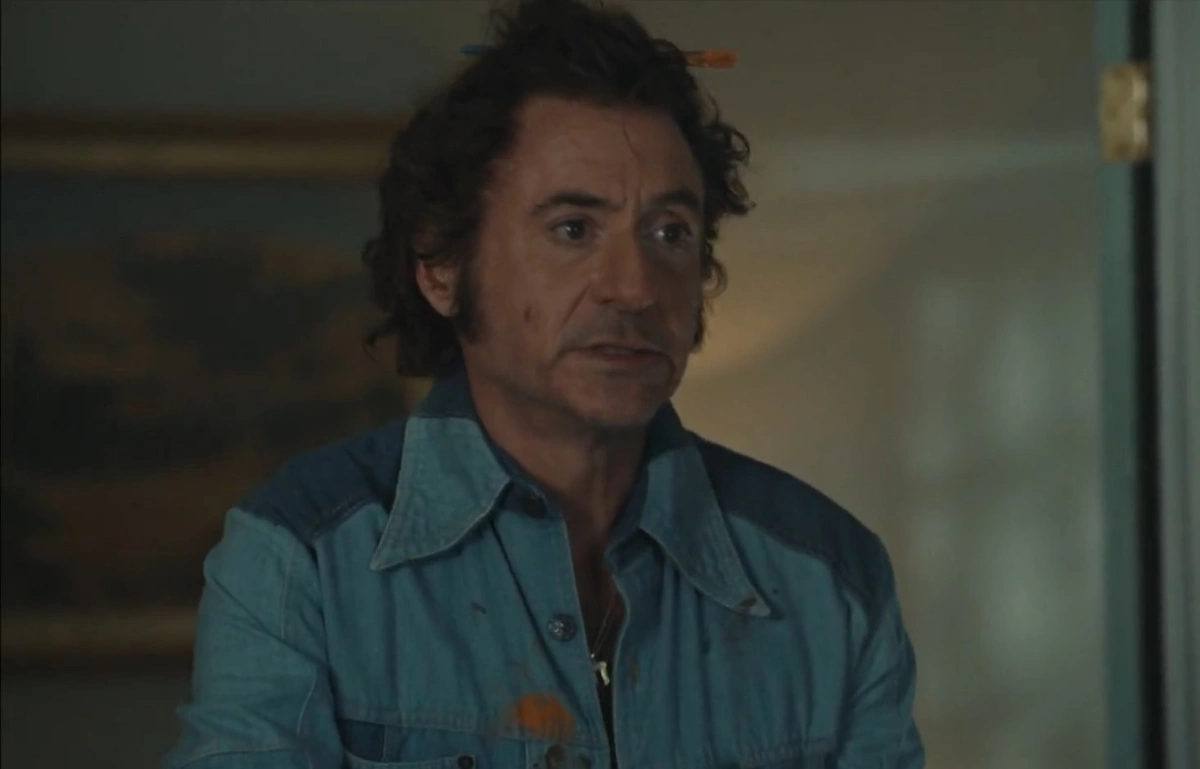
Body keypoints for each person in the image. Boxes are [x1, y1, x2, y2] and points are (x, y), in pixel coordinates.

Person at [167, 1, 923, 767]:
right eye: (572, 229)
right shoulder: (302, 559)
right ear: (441, 265)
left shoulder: (829, 579)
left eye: (670, 233)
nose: (634, 287)